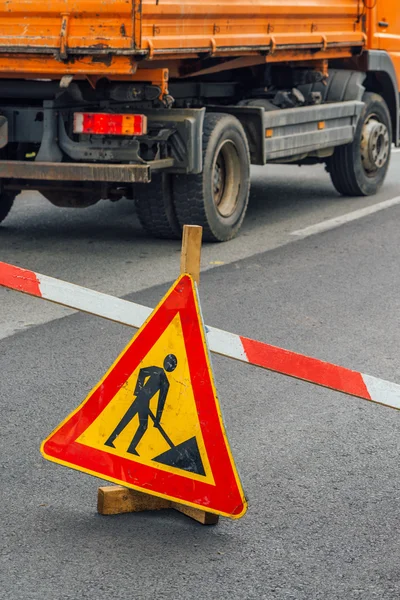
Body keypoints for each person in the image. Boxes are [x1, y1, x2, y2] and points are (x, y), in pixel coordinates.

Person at [104, 354, 178, 456]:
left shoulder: (165, 382)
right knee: (127, 420)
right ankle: (111, 441)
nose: (169, 365)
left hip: (145, 402)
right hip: (140, 399)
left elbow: (161, 402)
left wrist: (157, 419)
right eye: (169, 363)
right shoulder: (157, 371)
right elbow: (142, 372)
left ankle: (128, 447)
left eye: (172, 364)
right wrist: (138, 391)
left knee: (140, 425)